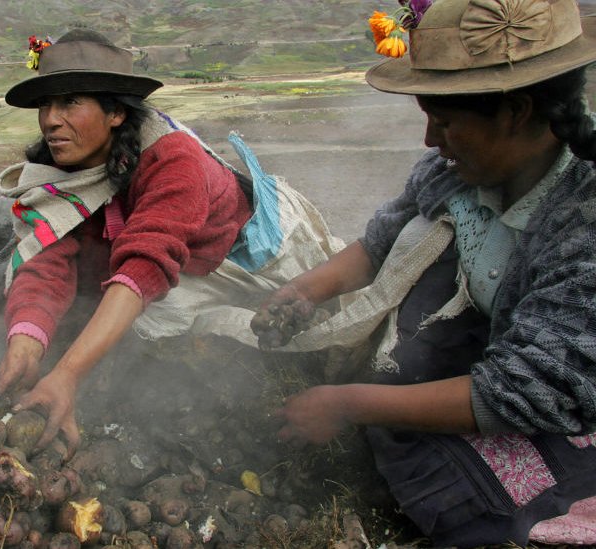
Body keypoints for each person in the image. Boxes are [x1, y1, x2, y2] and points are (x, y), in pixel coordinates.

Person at [252, 0, 596, 545]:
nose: (431, 140)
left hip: (553, 394)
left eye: (444, 122)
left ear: (516, 111)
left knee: (472, 496)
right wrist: (305, 290)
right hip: (480, 354)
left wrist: (348, 404)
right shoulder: (453, 169)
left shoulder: (584, 220)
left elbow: (528, 387)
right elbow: (383, 241)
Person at [0, 29, 252, 458]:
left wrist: (67, 374)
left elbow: (147, 262)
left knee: (149, 328)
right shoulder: (62, 165)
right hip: (132, 256)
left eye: (70, 102)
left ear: (115, 113)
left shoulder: (174, 159)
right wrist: (26, 338)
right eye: (45, 105)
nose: (51, 119)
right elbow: (48, 254)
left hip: (215, 260)